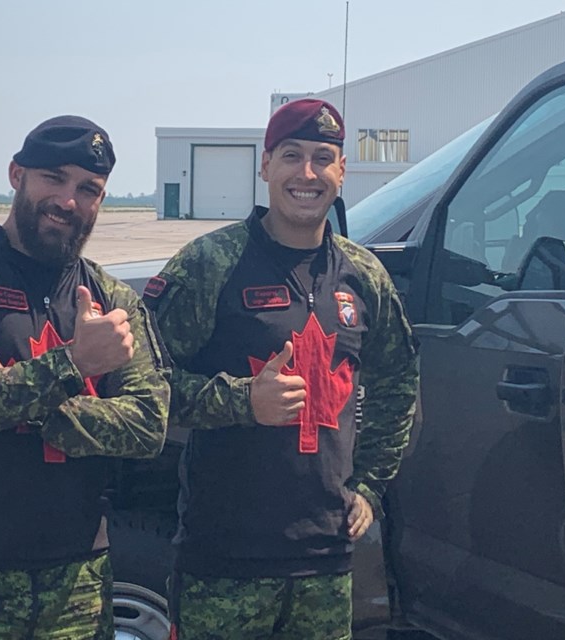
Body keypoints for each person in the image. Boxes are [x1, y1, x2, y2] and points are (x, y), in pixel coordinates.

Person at [141, 98, 420, 640]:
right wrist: (242, 401)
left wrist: (369, 484)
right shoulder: (209, 265)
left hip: (326, 561)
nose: (307, 174)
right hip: (224, 560)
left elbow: (399, 378)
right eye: (292, 156)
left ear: (342, 170)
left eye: (323, 157)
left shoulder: (362, 274)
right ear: (265, 166)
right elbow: (142, 384)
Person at [0, 115, 172, 640]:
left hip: (79, 585)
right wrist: (73, 366)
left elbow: (147, 426)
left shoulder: (113, 302)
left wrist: (9, 386)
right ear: (16, 173)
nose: (69, 201)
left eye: (88, 189)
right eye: (54, 178)